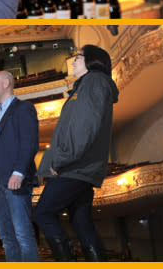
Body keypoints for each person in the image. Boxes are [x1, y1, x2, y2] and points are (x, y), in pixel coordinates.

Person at [33, 45, 117, 261]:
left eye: (78, 57)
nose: (73, 61)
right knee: (81, 223)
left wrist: (61, 159)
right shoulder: (87, 84)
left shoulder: (94, 81)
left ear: (92, 60)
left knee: (42, 213)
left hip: (74, 167)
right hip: (80, 168)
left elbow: (85, 126)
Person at [0, 71, 39, 261]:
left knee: (22, 234)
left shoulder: (23, 108)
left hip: (15, 179)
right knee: (6, 235)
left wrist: (19, 172)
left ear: (5, 83)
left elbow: (29, 142)